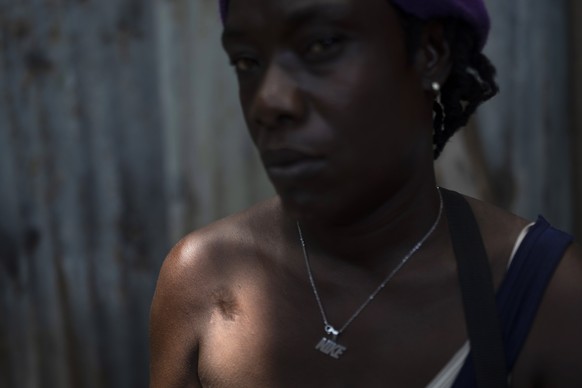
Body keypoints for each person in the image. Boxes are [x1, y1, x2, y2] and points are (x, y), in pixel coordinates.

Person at [149, 0, 582, 386]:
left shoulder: (543, 297)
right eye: (246, 61)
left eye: (321, 45)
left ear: (431, 52)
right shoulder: (203, 280)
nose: (269, 100)